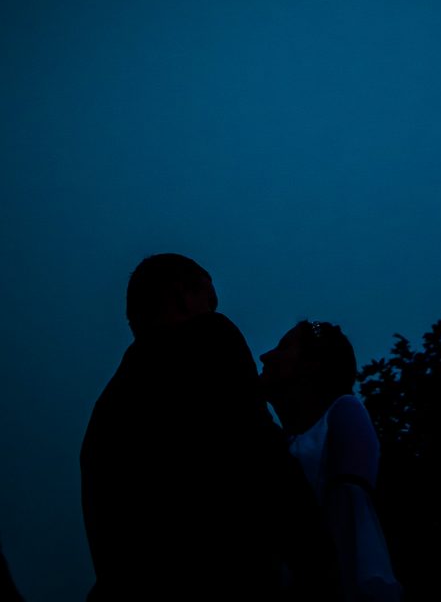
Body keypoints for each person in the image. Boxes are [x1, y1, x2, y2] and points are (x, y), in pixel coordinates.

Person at [81, 254, 336, 601]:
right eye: (208, 300)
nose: (213, 310)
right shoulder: (210, 338)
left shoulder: (103, 418)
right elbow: (261, 453)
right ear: (184, 296)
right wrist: (319, 561)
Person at [260, 320, 402, 602]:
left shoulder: (345, 411)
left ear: (313, 364)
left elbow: (351, 526)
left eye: (284, 347)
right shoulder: (283, 443)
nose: (265, 356)